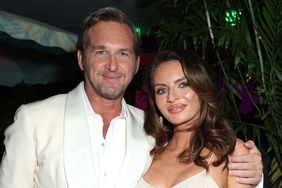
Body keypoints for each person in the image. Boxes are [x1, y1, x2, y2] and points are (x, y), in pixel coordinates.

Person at [0, 7, 263, 188]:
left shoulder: (150, 134)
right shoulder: (34, 119)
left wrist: (254, 173)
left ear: (137, 64)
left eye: (123, 53)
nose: (113, 65)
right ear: (81, 58)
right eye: (101, 52)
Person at [135, 50, 261, 188]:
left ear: (201, 86)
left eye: (183, 85)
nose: (171, 97)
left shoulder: (230, 151)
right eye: (161, 90)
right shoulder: (149, 152)